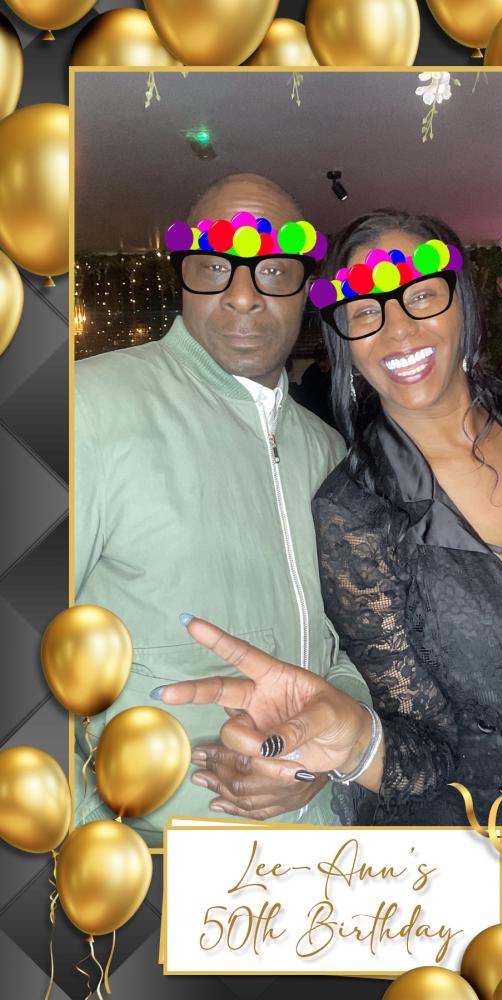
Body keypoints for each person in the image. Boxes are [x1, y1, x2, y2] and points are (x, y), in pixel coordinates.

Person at [158, 209, 502, 849]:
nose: (397, 329)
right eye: (365, 310)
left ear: (462, 303)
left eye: (420, 295)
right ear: (345, 340)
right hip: (480, 843)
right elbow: (426, 746)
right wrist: (358, 743)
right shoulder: (353, 512)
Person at [73, 174, 370, 847]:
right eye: (213, 266)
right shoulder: (87, 409)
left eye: (273, 269)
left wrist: (322, 750)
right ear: (181, 276)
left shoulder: (327, 450)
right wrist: (94, 844)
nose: (242, 294)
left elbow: (350, 644)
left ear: (304, 289)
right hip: (154, 862)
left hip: (314, 850)